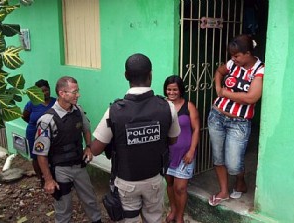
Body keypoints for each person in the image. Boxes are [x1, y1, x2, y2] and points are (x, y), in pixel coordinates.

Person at [89, 53, 181, 223]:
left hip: (126, 182)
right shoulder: (167, 107)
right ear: (150, 75)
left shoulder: (115, 110)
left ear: (126, 76)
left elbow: (95, 149)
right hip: (154, 178)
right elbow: (173, 140)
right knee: (154, 219)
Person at [32, 76, 102, 223]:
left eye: (78, 91)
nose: (78, 95)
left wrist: (88, 147)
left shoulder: (78, 111)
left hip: (79, 165)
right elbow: (41, 154)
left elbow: (86, 129)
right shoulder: (47, 121)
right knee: (64, 207)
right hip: (60, 170)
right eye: (74, 92)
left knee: (90, 201)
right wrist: (49, 180)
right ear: (62, 93)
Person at [208, 34, 264, 206]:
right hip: (217, 116)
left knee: (233, 164)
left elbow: (251, 97)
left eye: (236, 55)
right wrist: (218, 87)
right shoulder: (232, 64)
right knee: (218, 158)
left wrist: (225, 93)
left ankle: (240, 179)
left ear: (248, 53)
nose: (233, 59)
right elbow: (220, 71)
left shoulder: (259, 70)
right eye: (232, 55)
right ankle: (224, 191)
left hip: (238, 123)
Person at [163, 75, 200, 223]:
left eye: (175, 89)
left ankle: (180, 216)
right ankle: (173, 210)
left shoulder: (189, 106)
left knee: (181, 188)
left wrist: (192, 151)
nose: (171, 93)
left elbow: (196, 129)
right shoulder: (162, 105)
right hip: (167, 154)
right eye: (168, 89)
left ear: (180, 90)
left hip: (185, 154)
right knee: (170, 183)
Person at [22, 79, 56, 184]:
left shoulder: (55, 102)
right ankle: (40, 178)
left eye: (46, 90)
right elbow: (25, 116)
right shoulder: (32, 103)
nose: (45, 93)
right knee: (36, 156)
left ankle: (52, 177)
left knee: (52, 154)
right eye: (41, 91)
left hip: (51, 133)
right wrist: (35, 125)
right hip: (34, 133)